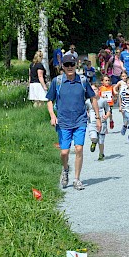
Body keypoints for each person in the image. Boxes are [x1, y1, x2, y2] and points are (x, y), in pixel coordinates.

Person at [46, 54, 101, 191]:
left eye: (72, 64)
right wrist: (53, 115)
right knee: (64, 152)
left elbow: (93, 98)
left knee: (79, 149)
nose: (70, 67)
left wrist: (98, 117)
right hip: (63, 122)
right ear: (63, 67)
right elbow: (49, 101)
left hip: (80, 120)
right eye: (67, 65)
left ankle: (77, 179)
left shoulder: (82, 80)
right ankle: (65, 170)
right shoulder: (57, 81)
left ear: (76, 65)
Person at [87, 83, 111, 161]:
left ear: (99, 90)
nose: (93, 91)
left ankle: (101, 153)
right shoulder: (88, 102)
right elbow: (84, 111)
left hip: (102, 123)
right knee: (94, 137)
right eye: (91, 90)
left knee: (101, 141)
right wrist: (87, 114)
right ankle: (94, 142)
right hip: (92, 123)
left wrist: (106, 116)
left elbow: (108, 111)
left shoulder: (103, 101)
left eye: (95, 89)